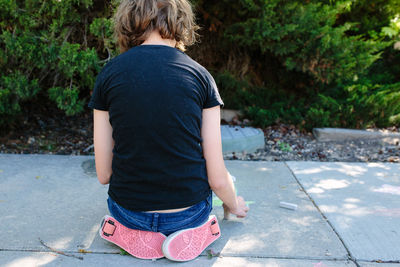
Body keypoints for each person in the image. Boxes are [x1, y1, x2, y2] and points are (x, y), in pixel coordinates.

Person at [88, 0, 249, 262]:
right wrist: (233, 205)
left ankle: (130, 233)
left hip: (129, 211)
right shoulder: (201, 76)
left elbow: (104, 174)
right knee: (224, 180)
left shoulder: (108, 75)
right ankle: (197, 232)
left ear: (128, 22)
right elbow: (217, 178)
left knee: (128, 212)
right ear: (181, 23)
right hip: (188, 213)